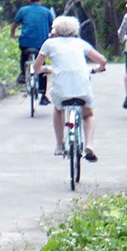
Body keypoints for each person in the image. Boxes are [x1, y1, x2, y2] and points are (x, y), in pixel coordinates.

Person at [32, 16, 108, 160]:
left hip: (61, 90)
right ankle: (89, 144)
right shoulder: (80, 43)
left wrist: (45, 69)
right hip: (82, 89)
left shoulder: (49, 44)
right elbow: (102, 60)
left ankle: (59, 145)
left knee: (58, 109)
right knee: (88, 114)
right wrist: (99, 68)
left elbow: (36, 68)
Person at [11, 0, 54, 105]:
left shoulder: (23, 10)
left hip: (25, 42)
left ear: (29, 0)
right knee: (42, 64)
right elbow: (53, 27)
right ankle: (43, 95)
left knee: (24, 55)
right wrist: (51, 35)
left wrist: (13, 34)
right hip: (42, 44)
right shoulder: (46, 12)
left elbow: (15, 24)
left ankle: (22, 74)